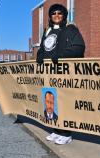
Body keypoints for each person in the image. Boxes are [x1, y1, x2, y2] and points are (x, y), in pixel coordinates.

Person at [36, 4, 85, 145]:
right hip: (48, 74)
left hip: (64, 72)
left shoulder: (71, 29)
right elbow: (43, 48)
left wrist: (61, 56)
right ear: (50, 16)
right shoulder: (48, 30)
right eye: (53, 13)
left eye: (60, 13)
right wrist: (40, 56)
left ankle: (66, 133)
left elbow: (79, 47)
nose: (56, 16)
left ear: (64, 15)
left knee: (64, 101)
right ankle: (56, 130)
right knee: (51, 101)